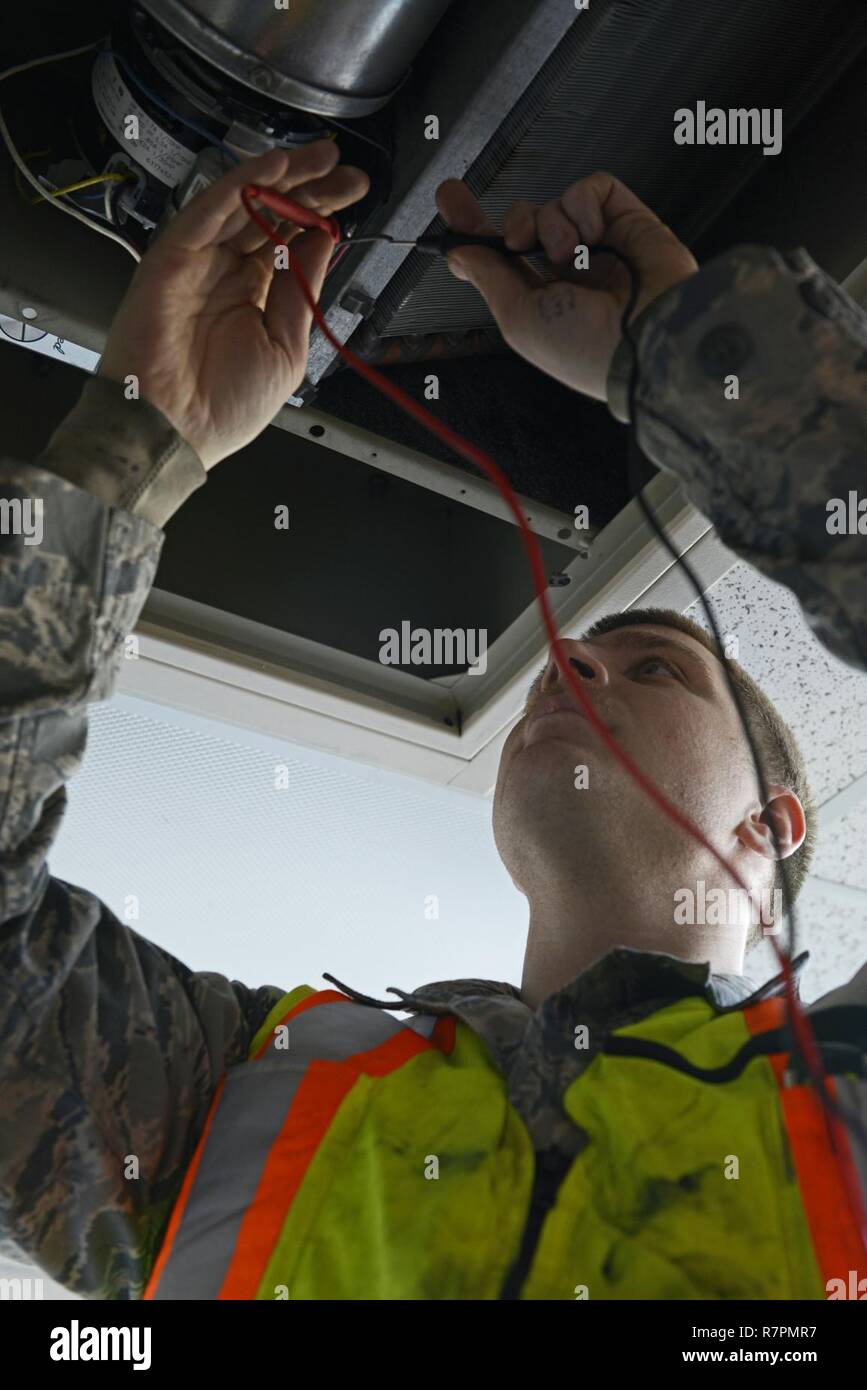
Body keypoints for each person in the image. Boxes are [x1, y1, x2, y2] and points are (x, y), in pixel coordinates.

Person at [1, 142, 865, 1301]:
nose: (568, 663)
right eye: (580, 651)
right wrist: (134, 437)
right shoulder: (245, 1089)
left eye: (657, 670)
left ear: (771, 825)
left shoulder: (838, 1101)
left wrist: (699, 364)